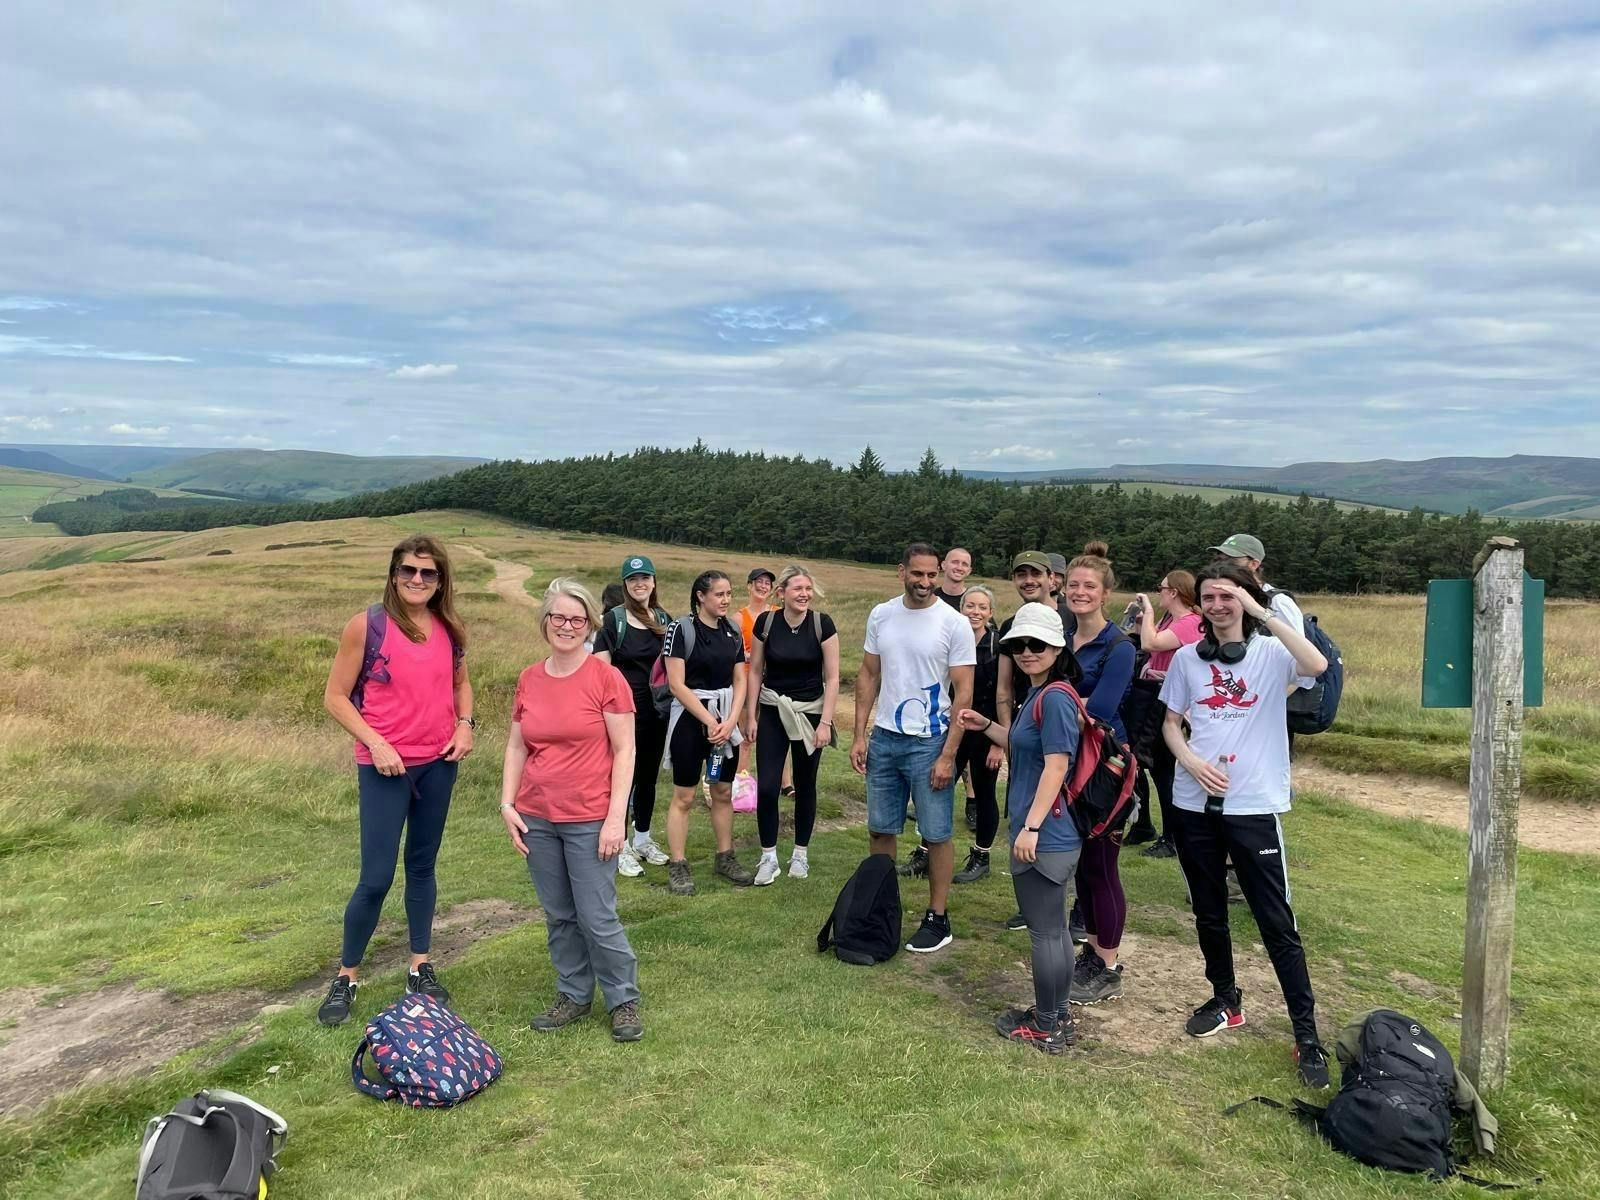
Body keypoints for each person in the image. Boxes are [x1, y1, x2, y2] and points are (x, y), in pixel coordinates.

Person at [1159, 562, 1331, 1088]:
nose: (1217, 605)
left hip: (1253, 806)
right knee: (1209, 912)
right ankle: (1224, 998)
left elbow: (1317, 664)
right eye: (1209, 597)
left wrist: (1262, 612)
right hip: (1194, 804)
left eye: (1227, 596)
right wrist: (1189, 761)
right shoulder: (1188, 659)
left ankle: (1307, 1037)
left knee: (1276, 923)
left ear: (1245, 600)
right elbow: (1170, 724)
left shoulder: (1273, 654)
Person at [317, 536, 474, 1027]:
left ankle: (419, 966)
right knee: (376, 877)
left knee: (423, 866)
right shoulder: (368, 626)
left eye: (428, 574)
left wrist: (465, 726)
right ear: (392, 573)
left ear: (441, 580)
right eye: (408, 570)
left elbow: (460, 683)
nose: (417, 580)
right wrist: (377, 743)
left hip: (439, 763)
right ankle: (346, 976)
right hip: (384, 767)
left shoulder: (449, 627)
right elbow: (336, 697)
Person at [500, 579, 642, 1043]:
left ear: (589, 626)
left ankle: (622, 1000)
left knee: (596, 915)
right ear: (545, 622)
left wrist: (616, 818)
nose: (566, 626)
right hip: (537, 815)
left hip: (590, 817)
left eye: (576, 620)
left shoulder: (606, 678)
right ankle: (574, 994)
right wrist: (507, 803)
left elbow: (625, 751)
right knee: (559, 914)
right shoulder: (529, 678)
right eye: (558, 618)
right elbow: (518, 746)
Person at [956, 602, 1082, 1053]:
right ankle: (1057, 1014)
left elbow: (1056, 766)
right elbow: (1024, 744)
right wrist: (986, 724)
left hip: (1046, 833)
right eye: (1020, 645)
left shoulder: (1056, 697)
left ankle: (1048, 1025)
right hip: (1053, 831)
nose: (1028, 652)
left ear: (1057, 648)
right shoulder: (1041, 695)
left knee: (1046, 931)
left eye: (1039, 645)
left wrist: (1029, 827)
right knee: (1056, 929)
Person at [851, 543, 975, 953]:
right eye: (917, 574)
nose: (925, 583)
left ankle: (938, 918)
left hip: (930, 742)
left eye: (931, 575)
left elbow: (963, 694)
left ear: (939, 574)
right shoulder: (881, 614)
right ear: (901, 570)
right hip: (884, 740)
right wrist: (859, 734)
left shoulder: (953, 623)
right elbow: (869, 675)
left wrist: (948, 755)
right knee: (881, 828)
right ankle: (883, 905)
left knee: (936, 833)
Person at [1060, 542, 1137, 1007]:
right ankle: (1092, 953)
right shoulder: (1063, 638)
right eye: (1073, 585)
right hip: (1069, 764)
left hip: (1107, 768)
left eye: (1090, 586)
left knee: (1101, 867)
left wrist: (1053, 704)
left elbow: (1103, 708)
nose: (1080, 592)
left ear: (1106, 593)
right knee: (1083, 870)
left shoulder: (1119, 646)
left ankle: (1106, 966)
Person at [742, 564, 840, 885]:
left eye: (808, 589)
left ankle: (800, 854)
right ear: (781, 593)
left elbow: (833, 677)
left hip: (810, 714)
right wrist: (750, 714)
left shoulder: (821, 624)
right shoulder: (766, 623)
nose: (804, 595)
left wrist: (825, 722)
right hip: (772, 709)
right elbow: (755, 670)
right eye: (797, 589)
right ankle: (768, 857)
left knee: (805, 784)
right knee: (768, 786)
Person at [663, 570, 754, 894]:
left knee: (723, 791)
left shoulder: (731, 629)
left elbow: (739, 678)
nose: (726, 600)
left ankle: (725, 856)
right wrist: (709, 720)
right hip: (691, 720)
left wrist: (730, 721)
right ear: (700, 596)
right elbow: (676, 683)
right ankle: (678, 864)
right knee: (684, 796)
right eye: (719, 594)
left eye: (729, 594)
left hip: (724, 718)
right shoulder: (681, 629)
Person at [593, 554, 673, 879]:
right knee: (621, 780)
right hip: (623, 715)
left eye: (645, 578)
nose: (640, 584)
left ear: (653, 582)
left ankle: (643, 838)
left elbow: (674, 663)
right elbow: (600, 668)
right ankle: (621, 845)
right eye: (633, 580)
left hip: (657, 712)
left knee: (648, 778)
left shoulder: (663, 617)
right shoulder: (614, 620)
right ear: (626, 585)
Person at [1125, 570, 1203, 858]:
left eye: (1162, 589)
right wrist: (1140, 620)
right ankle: (1144, 823)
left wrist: (1146, 612)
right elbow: (1146, 641)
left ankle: (1172, 836)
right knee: (1138, 761)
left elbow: (1151, 644)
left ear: (1174, 593)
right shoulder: (1171, 620)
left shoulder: (1191, 623)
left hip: (1168, 702)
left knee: (1162, 770)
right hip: (1151, 696)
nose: (1159, 594)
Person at [952, 585, 1004, 884]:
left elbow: (1003, 694)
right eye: (970, 606)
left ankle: (981, 856)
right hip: (955, 727)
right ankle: (925, 851)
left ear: (990, 612)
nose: (975, 612)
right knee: (939, 789)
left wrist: (999, 741)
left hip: (986, 729)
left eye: (982, 607)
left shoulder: (999, 645)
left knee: (984, 793)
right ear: (961, 609)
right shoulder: (951, 639)